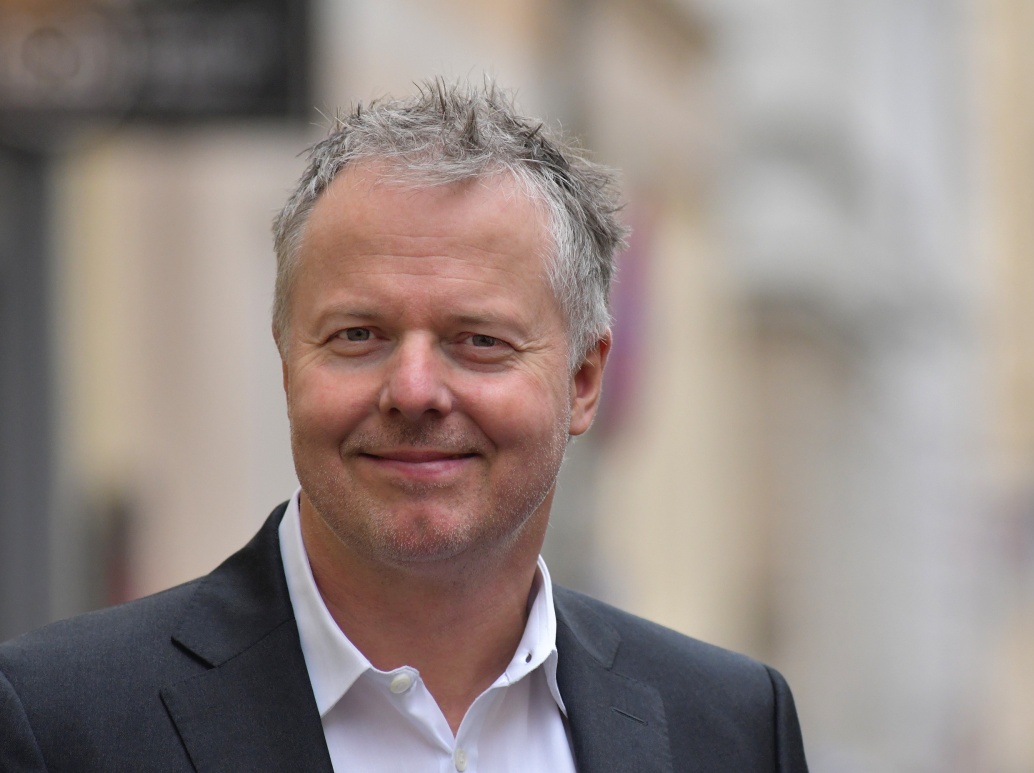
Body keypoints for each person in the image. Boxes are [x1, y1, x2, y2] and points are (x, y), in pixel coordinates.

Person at [0, 79, 808, 772]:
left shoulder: (728, 727)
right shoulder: (60, 722)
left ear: (585, 379)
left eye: (478, 341)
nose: (414, 390)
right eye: (359, 335)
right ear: (287, 360)